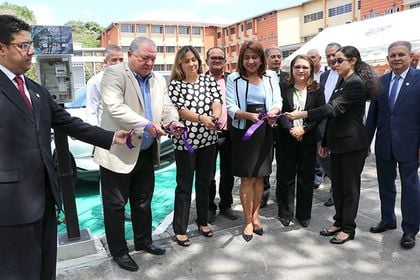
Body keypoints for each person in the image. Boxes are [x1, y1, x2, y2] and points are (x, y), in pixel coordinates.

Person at [0, 15, 130, 279]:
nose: (31, 51)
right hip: (10, 205)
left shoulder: (36, 90)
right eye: (23, 45)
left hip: (45, 198)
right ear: (1, 48)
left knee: (45, 269)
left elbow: (68, 123)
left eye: (31, 44)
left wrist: (110, 136)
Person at [94, 36, 182, 271]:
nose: (150, 63)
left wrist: (172, 122)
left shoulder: (157, 80)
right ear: (131, 55)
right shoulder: (114, 74)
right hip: (118, 152)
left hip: (144, 152)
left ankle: (144, 241)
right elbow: (115, 108)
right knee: (115, 207)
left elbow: (166, 106)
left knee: (143, 202)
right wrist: (148, 124)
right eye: (145, 58)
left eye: (153, 58)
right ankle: (120, 252)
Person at [286, 45, 380, 244]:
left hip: (353, 145)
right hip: (337, 144)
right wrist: (326, 141)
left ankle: (348, 228)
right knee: (338, 186)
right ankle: (339, 221)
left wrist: (302, 114)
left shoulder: (355, 83)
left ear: (352, 61)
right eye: (333, 60)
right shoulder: (342, 81)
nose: (334, 64)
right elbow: (334, 118)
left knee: (349, 188)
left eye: (339, 60)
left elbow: (332, 109)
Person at [366, 40, 420, 249]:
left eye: (401, 55)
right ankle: (388, 219)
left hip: (410, 145)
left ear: (409, 57)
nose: (396, 58)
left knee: (410, 187)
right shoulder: (381, 81)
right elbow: (373, 116)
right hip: (384, 144)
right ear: (387, 58)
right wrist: (366, 141)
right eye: (393, 55)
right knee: (385, 185)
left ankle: (410, 230)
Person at [226, 40, 282, 242]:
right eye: (247, 57)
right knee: (247, 178)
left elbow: (277, 101)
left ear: (261, 59)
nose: (251, 61)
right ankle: (247, 220)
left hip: (265, 131)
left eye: (255, 57)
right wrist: (248, 116)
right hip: (244, 133)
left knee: (260, 177)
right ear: (241, 59)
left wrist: (274, 112)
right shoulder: (234, 78)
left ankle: (256, 216)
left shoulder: (270, 76)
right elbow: (230, 106)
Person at [168, 46, 222, 247]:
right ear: (180, 64)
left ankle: (202, 221)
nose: (191, 64)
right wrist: (202, 118)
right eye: (186, 61)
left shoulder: (209, 80)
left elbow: (217, 101)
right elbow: (181, 111)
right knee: (184, 186)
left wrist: (214, 116)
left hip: (208, 139)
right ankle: (180, 228)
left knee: (204, 182)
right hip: (186, 142)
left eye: (194, 60)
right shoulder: (175, 85)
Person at [276, 55, 325, 228]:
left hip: (308, 139)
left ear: (311, 69)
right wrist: (291, 129)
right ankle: (285, 213)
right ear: (292, 69)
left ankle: (304, 214)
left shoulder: (317, 89)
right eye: (297, 67)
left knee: (306, 178)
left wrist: (303, 129)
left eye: (305, 67)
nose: (301, 70)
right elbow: (279, 111)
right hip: (286, 139)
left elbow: (319, 114)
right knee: (285, 177)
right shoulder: (283, 87)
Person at [205, 47, 238, 222]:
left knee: (228, 172)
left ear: (225, 61)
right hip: (207, 134)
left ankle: (226, 204)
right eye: (213, 58)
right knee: (208, 173)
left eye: (220, 58)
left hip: (229, 133)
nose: (217, 60)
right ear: (206, 60)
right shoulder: (200, 81)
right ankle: (209, 206)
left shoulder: (233, 80)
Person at [261, 46, 288, 208]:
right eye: (273, 57)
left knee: (284, 163)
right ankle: (263, 195)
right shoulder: (260, 77)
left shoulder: (288, 78)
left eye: (279, 56)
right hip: (265, 127)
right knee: (265, 163)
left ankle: (282, 194)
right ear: (266, 59)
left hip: (284, 127)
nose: (277, 59)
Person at [318, 42, 342, 207]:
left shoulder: (348, 74)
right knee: (322, 156)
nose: (332, 58)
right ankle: (338, 183)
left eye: (335, 55)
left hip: (340, 124)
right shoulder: (324, 76)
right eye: (329, 56)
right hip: (323, 123)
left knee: (337, 159)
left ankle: (337, 192)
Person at [86, 45, 124, 126]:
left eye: (121, 60)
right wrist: (95, 135)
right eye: (114, 60)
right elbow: (91, 111)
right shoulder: (95, 81)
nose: (118, 63)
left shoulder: (128, 78)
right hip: (105, 131)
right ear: (105, 62)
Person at [307, 48, 325, 190]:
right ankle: (317, 176)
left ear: (319, 58)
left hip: (324, 116)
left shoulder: (326, 74)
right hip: (311, 118)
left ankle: (322, 175)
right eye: (309, 57)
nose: (311, 60)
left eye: (313, 57)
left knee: (322, 149)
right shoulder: (305, 73)